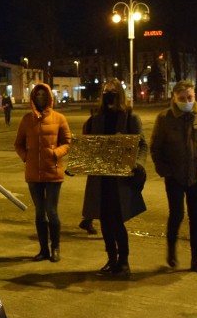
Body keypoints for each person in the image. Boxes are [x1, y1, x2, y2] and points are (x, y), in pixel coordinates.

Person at [150, 80, 197, 275]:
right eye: (182, 98)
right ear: (174, 97)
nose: (187, 101)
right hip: (174, 176)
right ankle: (171, 249)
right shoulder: (164, 118)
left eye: (190, 97)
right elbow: (156, 148)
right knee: (176, 214)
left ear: (194, 95)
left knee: (196, 217)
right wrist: (164, 170)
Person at [81, 78, 147, 277]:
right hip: (101, 178)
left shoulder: (129, 117)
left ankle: (124, 261)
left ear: (120, 93)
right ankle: (111, 258)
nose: (108, 94)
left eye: (112, 91)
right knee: (104, 221)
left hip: (120, 180)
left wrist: (138, 163)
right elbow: (88, 143)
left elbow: (142, 144)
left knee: (117, 221)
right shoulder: (97, 117)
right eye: (105, 91)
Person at [14, 83, 72, 262]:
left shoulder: (59, 118)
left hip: (53, 173)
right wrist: (26, 157)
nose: (40, 98)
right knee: (40, 213)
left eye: (43, 95)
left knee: (51, 211)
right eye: (37, 95)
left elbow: (68, 142)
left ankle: (55, 247)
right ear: (33, 97)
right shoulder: (26, 120)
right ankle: (43, 249)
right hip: (33, 174)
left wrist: (55, 153)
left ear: (49, 97)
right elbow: (18, 143)